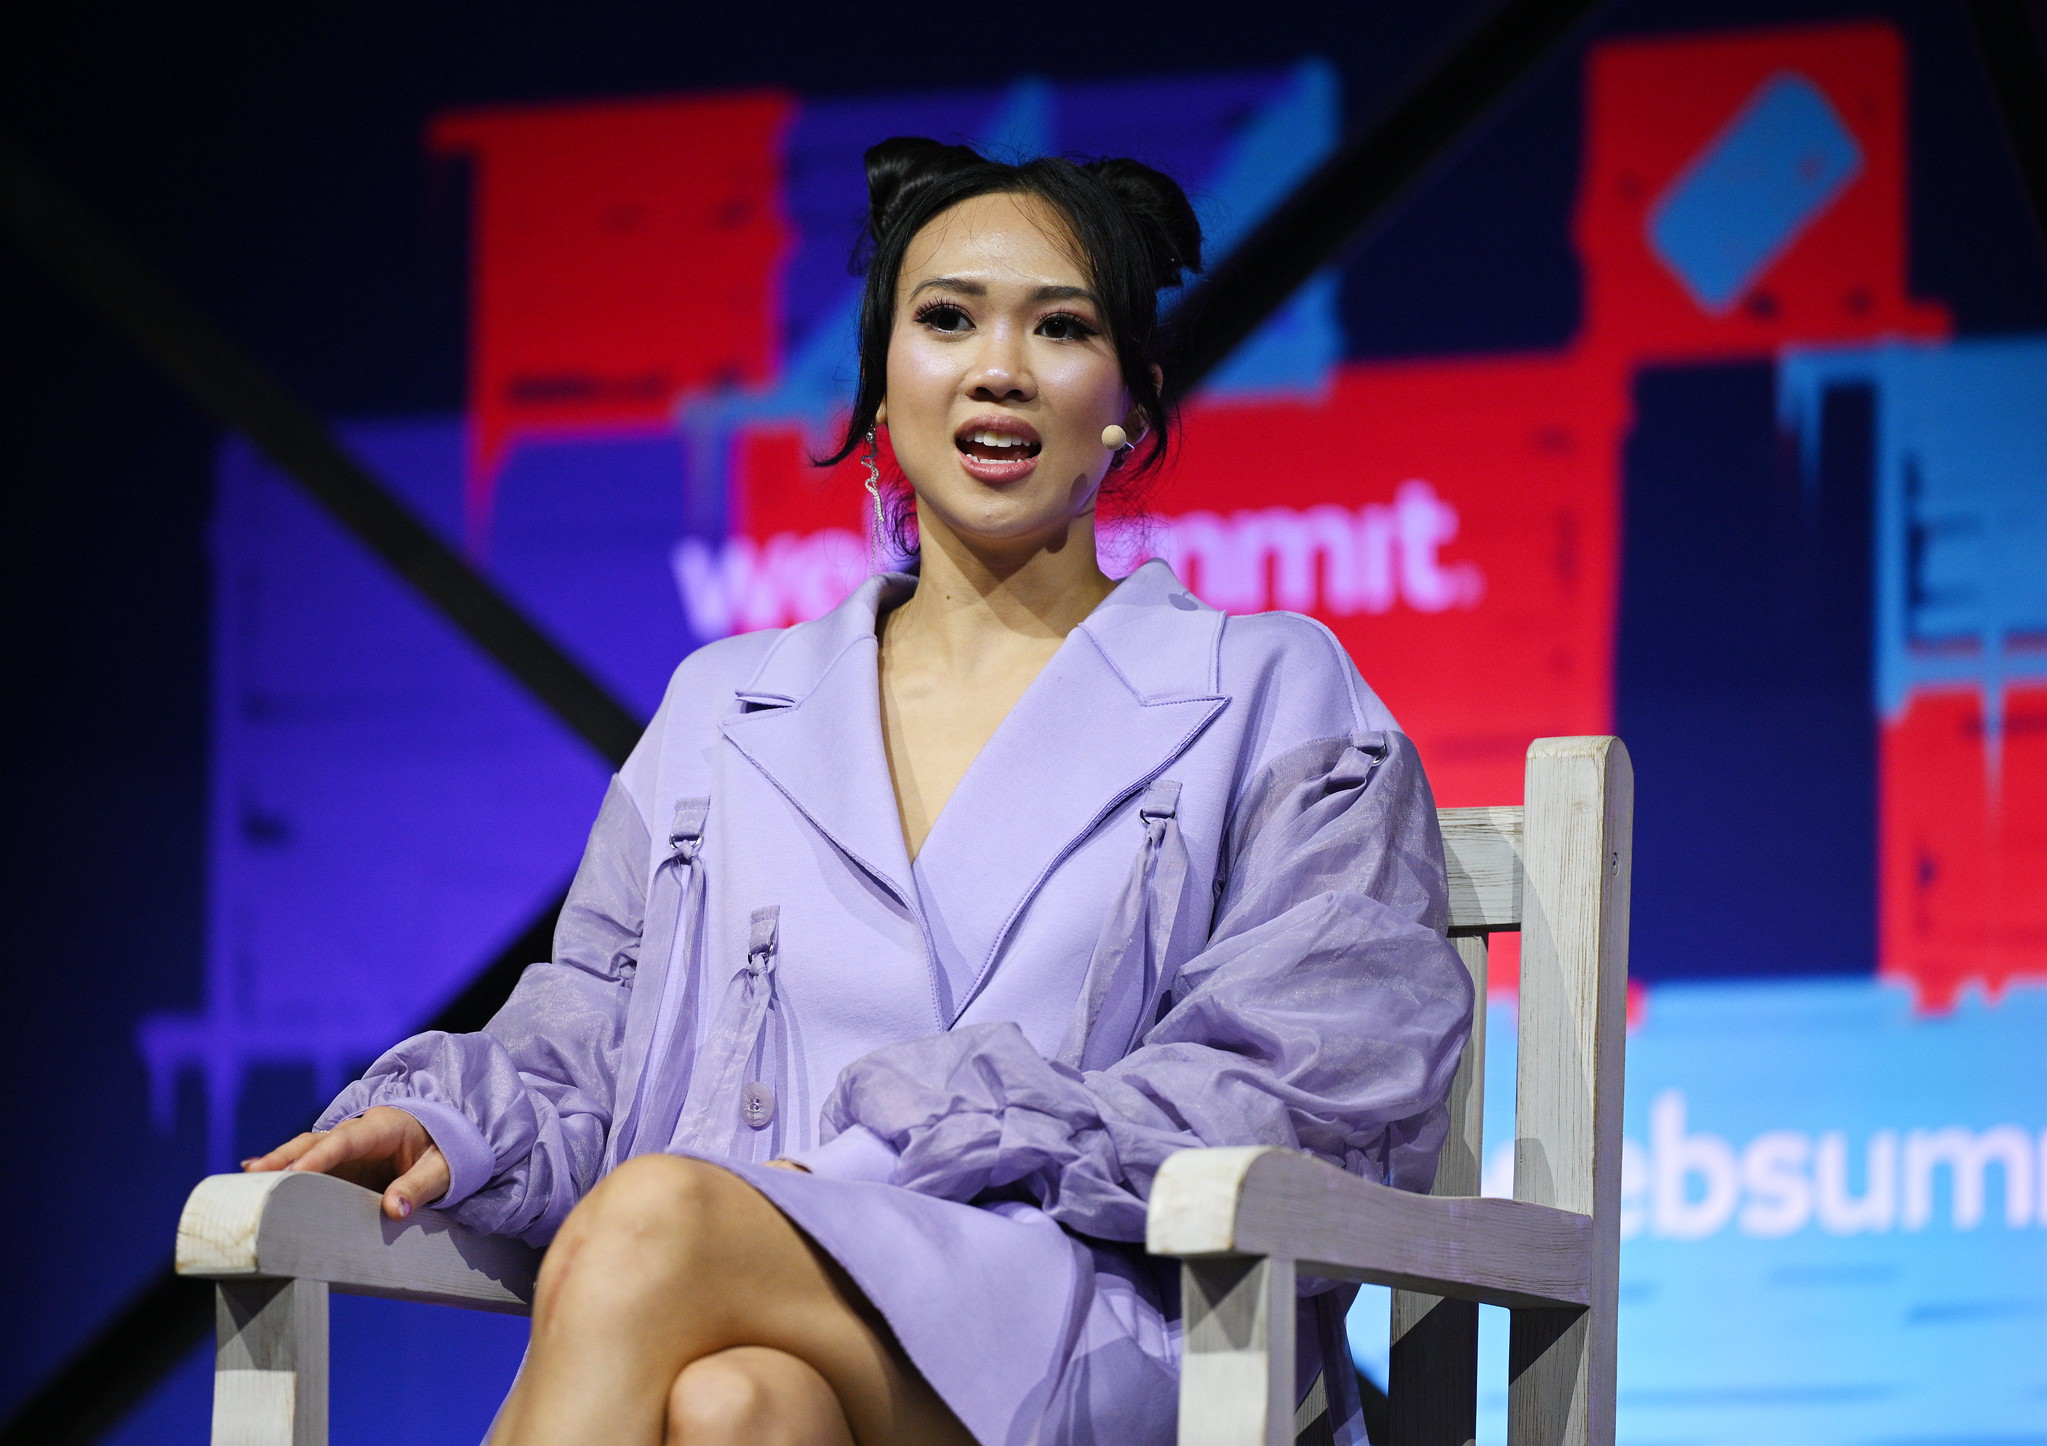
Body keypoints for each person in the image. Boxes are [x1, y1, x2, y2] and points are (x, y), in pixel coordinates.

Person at [243, 136, 1474, 1446]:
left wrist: (946, 1131)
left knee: (660, 1216)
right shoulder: (725, 707)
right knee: (738, 1407)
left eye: (1059, 328)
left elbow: (1320, 1083)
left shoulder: (1267, 686)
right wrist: (454, 1115)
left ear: (1132, 397)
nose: (998, 367)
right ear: (883, 384)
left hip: (1134, 1327)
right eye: (946, 318)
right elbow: (594, 1030)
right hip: (801, 1327)